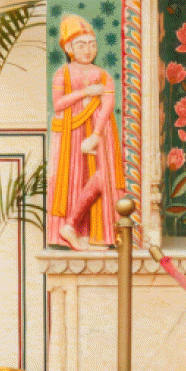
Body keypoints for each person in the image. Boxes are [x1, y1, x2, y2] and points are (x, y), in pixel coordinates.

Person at [46, 15, 121, 249]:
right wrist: (86, 92)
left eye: (92, 44)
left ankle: (75, 226)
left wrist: (96, 135)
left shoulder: (103, 74)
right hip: (71, 132)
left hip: (100, 132)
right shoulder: (62, 73)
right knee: (73, 179)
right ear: (69, 49)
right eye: (81, 45)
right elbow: (58, 104)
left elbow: (108, 105)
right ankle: (72, 228)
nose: (88, 50)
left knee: (104, 176)